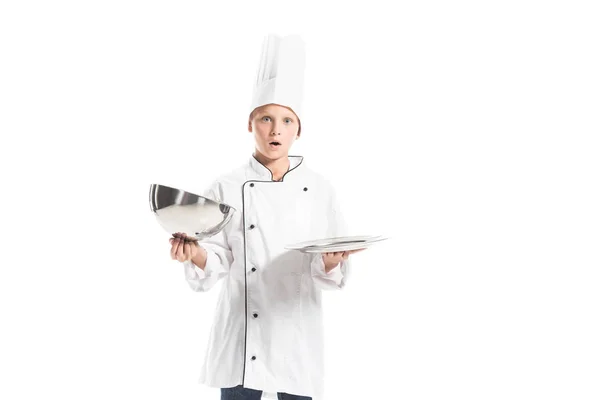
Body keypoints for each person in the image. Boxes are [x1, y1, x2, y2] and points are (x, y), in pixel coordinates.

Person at [169, 34, 365, 400]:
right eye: (266, 118)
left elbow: (329, 268)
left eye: (287, 120)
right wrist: (193, 253)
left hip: (296, 328)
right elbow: (217, 256)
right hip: (245, 329)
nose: (276, 129)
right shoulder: (225, 187)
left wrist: (331, 262)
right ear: (250, 123)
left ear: (298, 129)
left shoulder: (320, 189)